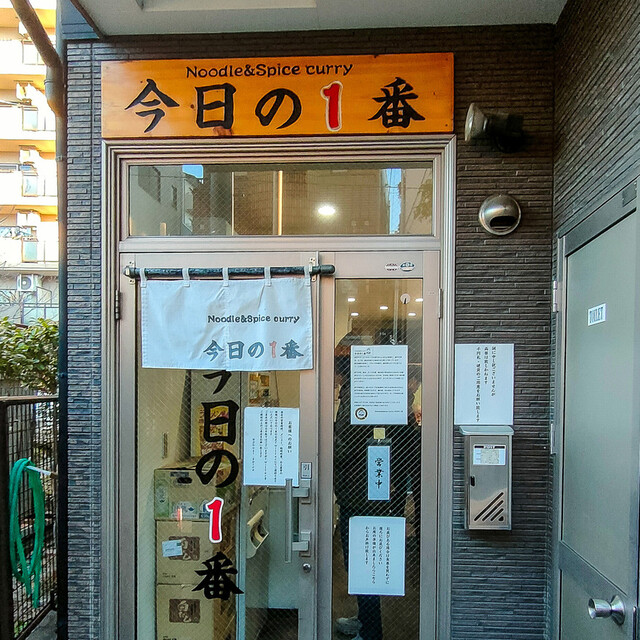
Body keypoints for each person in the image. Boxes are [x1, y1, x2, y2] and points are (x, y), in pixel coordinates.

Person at [333, 334, 421, 640]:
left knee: (362, 561)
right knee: (365, 560)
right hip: (374, 491)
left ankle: (371, 631)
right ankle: (365, 620)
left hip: (359, 494)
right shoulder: (377, 392)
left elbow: (344, 447)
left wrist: (320, 442)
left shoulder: (356, 394)